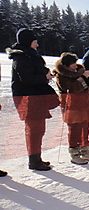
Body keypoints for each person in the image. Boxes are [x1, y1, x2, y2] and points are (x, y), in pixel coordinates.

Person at [7, 28, 60, 170]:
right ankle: (34, 160)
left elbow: (35, 72)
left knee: (39, 129)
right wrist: (44, 77)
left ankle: (37, 158)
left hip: (35, 97)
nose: (37, 44)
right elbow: (27, 79)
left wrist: (46, 74)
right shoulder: (22, 57)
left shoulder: (31, 56)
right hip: (28, 98)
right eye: (35, 41)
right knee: (35, 129)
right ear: (28, 42)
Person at [53, 52, 89, 164]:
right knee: (74, 130)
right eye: (73, 64)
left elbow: (86, 85)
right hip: (72, 106)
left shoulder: (78, 71)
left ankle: (85, 151)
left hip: (84, 105)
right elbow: (73, 88)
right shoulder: (61, 75)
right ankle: (74, 153)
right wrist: (83, 77)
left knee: (85, 128)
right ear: (66, 65)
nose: (75, 66)